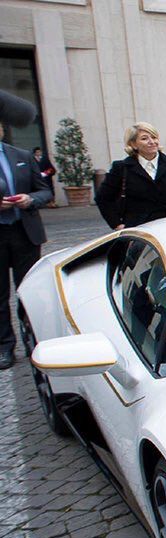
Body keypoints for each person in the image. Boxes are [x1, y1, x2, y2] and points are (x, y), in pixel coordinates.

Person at [0, 136, 53, 370]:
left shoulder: (21, 156)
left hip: (25, 233)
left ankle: (34, 343)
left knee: (29, 291)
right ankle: (4, 347)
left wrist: (30, 199)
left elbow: (45, 192)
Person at [95, 122, 166, 230]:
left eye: (154, 137)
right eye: (144, 138)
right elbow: (103, 198)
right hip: (138, 230)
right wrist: (117, 225)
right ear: (133, 144)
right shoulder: (121, 168)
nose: (152, 142)